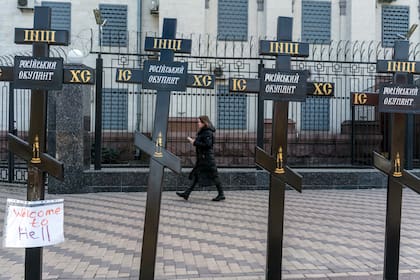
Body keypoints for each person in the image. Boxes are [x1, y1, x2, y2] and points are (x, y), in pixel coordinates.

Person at [176, 115, 225, 201]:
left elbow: (208, 145)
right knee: (197, 175)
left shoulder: (207, 132)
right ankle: (187, 193)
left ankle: (221, 194)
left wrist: (194, 142)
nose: (197, 123)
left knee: (214, 176)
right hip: (202, 158)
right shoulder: (203, 131)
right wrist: (196, 141)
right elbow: (203, 142)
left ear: (204, 122)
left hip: (207, 158)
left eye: (199, 122)